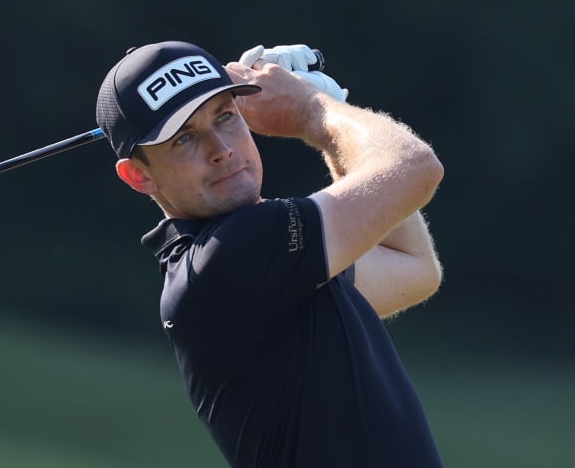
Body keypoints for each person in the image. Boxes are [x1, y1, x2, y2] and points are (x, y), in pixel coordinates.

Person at [95, 40, 445, 468]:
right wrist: (314, 111)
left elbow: (412, 266)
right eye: (184, 138)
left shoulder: (274, 261)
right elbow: (414, 167)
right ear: (138, 175)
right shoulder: (232, 255)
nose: (220, 148)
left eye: (225, 116)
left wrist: (332, 122)